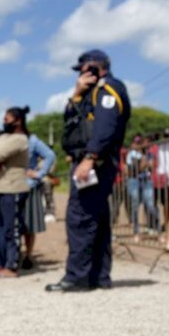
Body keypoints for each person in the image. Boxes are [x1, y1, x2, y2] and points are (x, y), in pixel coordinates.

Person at [46, 49, 131, 291]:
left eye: (82, 69)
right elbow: (72, 122)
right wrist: (76, 93)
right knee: (96, 217)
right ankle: (98, 276)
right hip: (91, 160)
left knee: (80, 216)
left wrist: (90, 158)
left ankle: (77, 277)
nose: (80, 74)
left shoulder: (108, 89)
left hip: (97, 161)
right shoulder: (89, 93)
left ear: (94, 67)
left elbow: (105, 126)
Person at [0, 107, 31, 278]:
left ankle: (11, 266)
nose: (4, 122)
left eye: (7, 118)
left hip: (13, 188)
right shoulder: (3, 137)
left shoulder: (21, 139)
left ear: (17, 120)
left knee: (12, 229)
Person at [21, 127, 56, 269]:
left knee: (29, 225)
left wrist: (40, 173)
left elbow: (50, 155)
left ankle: (28, 255)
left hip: (29, 186)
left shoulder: (33, 141)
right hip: (11, 186)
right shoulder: (7, 139)